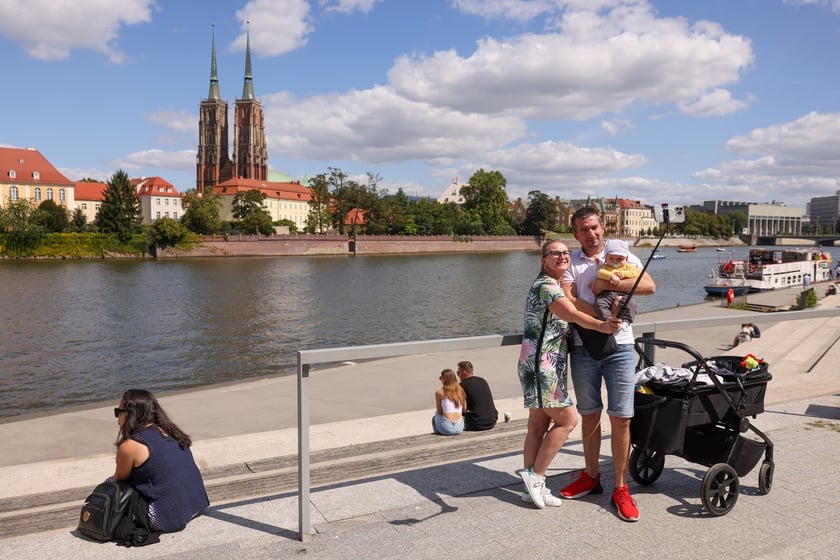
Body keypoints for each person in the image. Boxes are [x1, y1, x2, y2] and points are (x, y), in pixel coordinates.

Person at [560, 207, 656, 522]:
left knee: (622, 419)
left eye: (595, 228)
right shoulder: (570, 262)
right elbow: (569, 298)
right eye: (584, 230)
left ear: (604, 227)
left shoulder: (622, 254)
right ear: (575, 234)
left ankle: (620, 487)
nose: (591, 234)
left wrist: (609, 284)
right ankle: (591, 476)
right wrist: (601, 318)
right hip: (584, 346)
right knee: (589, 416)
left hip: (621, 347)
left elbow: (648, 287)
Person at [517, 240, 622, 509]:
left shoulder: (547, 283)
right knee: (568, 420)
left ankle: (532, 489)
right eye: (555, 253)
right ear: (544, 260)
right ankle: (535, 476)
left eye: (565, 252)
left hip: (539, 362)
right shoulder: (547, 286)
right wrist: (603, 325)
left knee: (538, 426)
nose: (562, 256)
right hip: (543, 364)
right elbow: (572, 314)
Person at [113, 389, 209, 533]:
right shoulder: (170, 431)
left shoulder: (130, 446)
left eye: (117, 411)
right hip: (196, 503)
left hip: (168, 518)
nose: (117, 418)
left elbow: (119, 480)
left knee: (109, 486)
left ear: (129, 413)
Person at [594, 239, 639, 323]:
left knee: (631, 304)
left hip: (625, 293)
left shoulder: (629, 266)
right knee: (599, 303)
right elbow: (600, 273)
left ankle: (626, 322)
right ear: (606, 258)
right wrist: (611, 275)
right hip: (607, 294)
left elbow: (635, 273)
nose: (615, 261)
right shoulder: (605, 266)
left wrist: (622, 273)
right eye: (611, 258)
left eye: (619, 259)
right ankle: (607, 319)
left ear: (626, 258)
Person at [456, 360, 499, 431]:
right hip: (492, 421)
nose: (458, 375)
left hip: (476, 423)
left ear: (464, 373)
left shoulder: (461, 386)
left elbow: (462, 407)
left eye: (458, 372)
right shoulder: (482, 381)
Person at [432, 369, 466, 436]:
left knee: (434, 417)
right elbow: (464, 409)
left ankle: (437, 432)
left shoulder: (439, 392)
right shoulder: (461, 391)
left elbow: (439, 411)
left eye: (440, 378)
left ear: (444, 379)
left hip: (446, 427)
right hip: (459, 428)